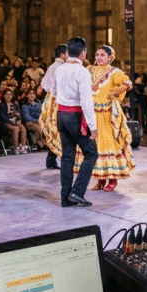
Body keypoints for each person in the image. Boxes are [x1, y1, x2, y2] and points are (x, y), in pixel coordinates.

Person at [76, 45, 134, 192]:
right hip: (92, 113)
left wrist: (113, 93)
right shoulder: (90, 69)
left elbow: (128, 84)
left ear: (110, 57)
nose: (99, 58)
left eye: (102, 55)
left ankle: (112, 179)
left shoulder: (115, 72)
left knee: (108, 144)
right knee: (95, 146)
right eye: (97, 55)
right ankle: (100, 179)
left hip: (107, 114)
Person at [54, 37, 96, 207]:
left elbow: (54, 92)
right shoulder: (82, 72)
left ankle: (65, 198)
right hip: (75, 116)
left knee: (67, 157)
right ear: (83, 53)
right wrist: (93, 127)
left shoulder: (60, 69)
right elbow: (86, 101)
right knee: (91, 153)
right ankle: (77, 192)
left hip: (61, 114)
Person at [38, 44, 68, 169]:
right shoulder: (61, 67)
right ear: (62, 55)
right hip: (58, 102)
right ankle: (55, 159)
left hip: (52, 102)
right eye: (67, 53)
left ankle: (52, 159)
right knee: (59, 130)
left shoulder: (53, 67)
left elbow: (41, 88)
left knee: (56, 131)